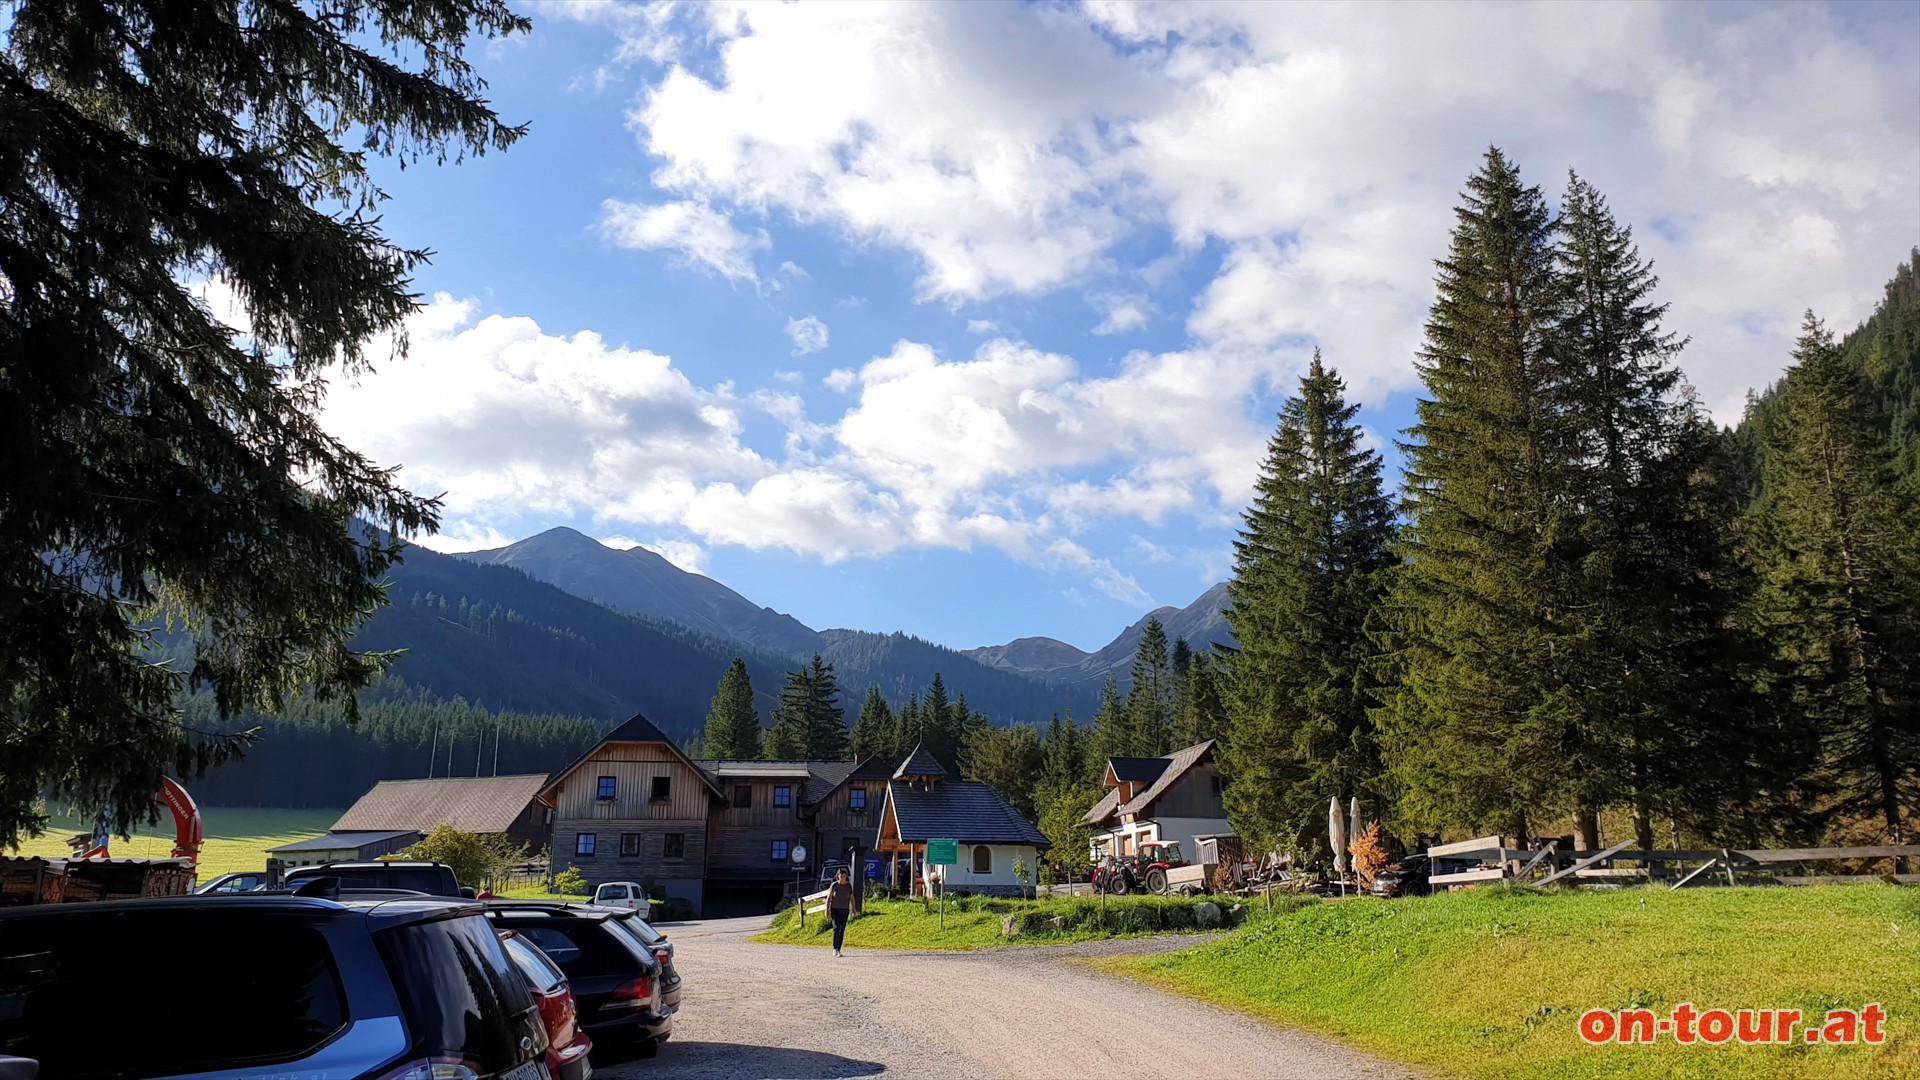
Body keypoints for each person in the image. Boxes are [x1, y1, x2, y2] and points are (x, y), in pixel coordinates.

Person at [826, 867, 853, 956]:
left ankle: (839, 949)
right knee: (836, 928)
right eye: (841, 876)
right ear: (838, 876)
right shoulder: (834, 885)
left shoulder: (848, 886)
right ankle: (834, 948)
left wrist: (854, 909)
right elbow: (829, 898)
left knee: (842, 930)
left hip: (845, 910)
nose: (843, 878)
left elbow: (852, 898)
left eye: (844, 876)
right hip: (835, 909)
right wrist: (827, 910)